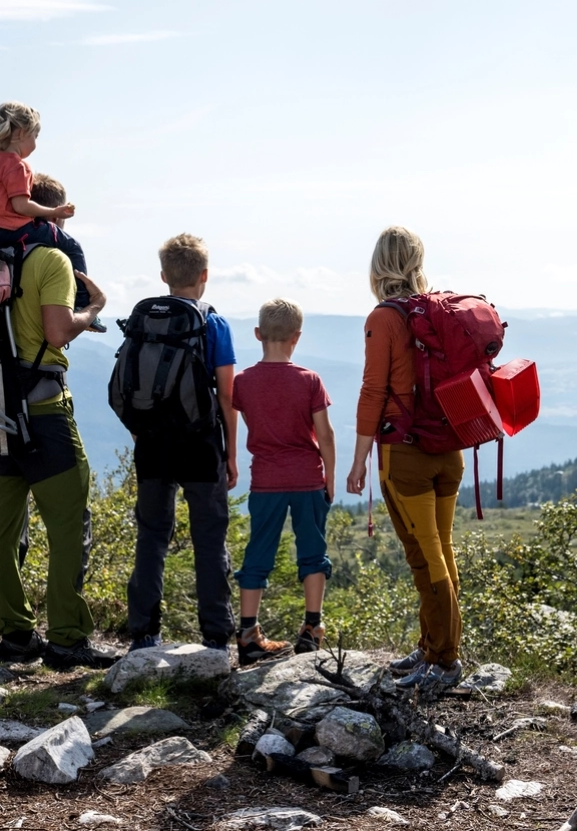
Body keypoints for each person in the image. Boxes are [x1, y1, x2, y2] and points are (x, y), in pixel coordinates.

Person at [0, 173, 119, 669]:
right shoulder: (51, 258)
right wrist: (94, 309)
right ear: (48, 213)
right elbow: (57, 329)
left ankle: (14, 633)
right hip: (44, 411)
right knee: (68, 523)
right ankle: (67, 637)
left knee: (3, 533)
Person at [346, 226, 464, 690]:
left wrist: (358, 461)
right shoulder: (436, 312)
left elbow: (373, 390)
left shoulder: (385, 318)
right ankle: (433, 646)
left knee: (425, 557)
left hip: (406, 453)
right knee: (442, 551)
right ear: (416, 261)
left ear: (379, 265)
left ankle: (445, 661)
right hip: (448, 449)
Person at [125, 234, 238, 652]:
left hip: (152, 442)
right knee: (209, 536)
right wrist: (230, 452)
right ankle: (214, 637)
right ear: (204, 275)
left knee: (152, 533)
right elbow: (226, 396)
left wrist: (141, 430)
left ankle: (144, 634)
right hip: (200, 442)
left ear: (163, 276)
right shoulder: (213, 324)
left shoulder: (144, 319)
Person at [232, 298, 335, 666]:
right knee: (312, 553)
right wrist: (331, 478)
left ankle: (247, 634)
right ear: (297, 337)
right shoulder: (309, 380)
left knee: (258, 552)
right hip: (307, 479)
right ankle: (312, 629)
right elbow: (325, 436)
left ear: (258, 334)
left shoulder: (243, 381)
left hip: (265, 480)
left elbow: (239, 421)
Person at [0, 102, 105, 331]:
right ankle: (82, 304)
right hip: (16, 230)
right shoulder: (19, 166)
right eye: (35, 136)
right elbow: (20, 206)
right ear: (19, 133)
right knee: (73, 247)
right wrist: (52, 213)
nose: (35, 144)